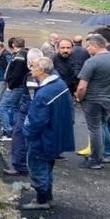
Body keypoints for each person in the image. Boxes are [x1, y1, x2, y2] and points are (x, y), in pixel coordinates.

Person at [20, 56, 75, 209]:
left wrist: (26, 132)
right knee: (47, 166)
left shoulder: (44, 94)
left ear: (42, 70)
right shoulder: (60, 84)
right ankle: (47, 196)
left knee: (37, 167)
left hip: (43, 139)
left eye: (34, 67)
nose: (32, 69)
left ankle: (41, 200)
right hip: (55, 136)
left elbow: (35, 121)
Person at [74, 34, 110, 169]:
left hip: (93, 100)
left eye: (88, 46)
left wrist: (79, 97)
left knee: (94, 129)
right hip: (109, 99)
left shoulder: (92, 62)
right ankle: (107, 152)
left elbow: (82, 86)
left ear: (95, 46)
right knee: (101, 126)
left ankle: (95, 159)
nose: (87, 49)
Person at [0, 38, 29, 166]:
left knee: (2, 107)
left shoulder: (19, 57)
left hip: (15, 87)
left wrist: (10, 84)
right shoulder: (24, 55)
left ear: (14, 45)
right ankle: (15, 129)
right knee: (16, 108)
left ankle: (7, 131)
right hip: (20, 86)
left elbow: (16, 74)